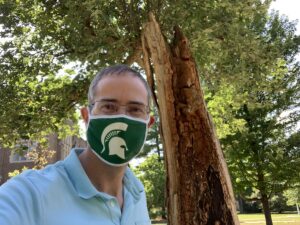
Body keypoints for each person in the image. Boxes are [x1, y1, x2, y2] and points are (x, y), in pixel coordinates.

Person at [0, 64, 155, 225]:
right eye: (109, 107)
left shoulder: (136, 194)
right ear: (86, 117)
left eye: (135, 109)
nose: (122, 119)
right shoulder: (29, 195)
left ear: (148, 125)